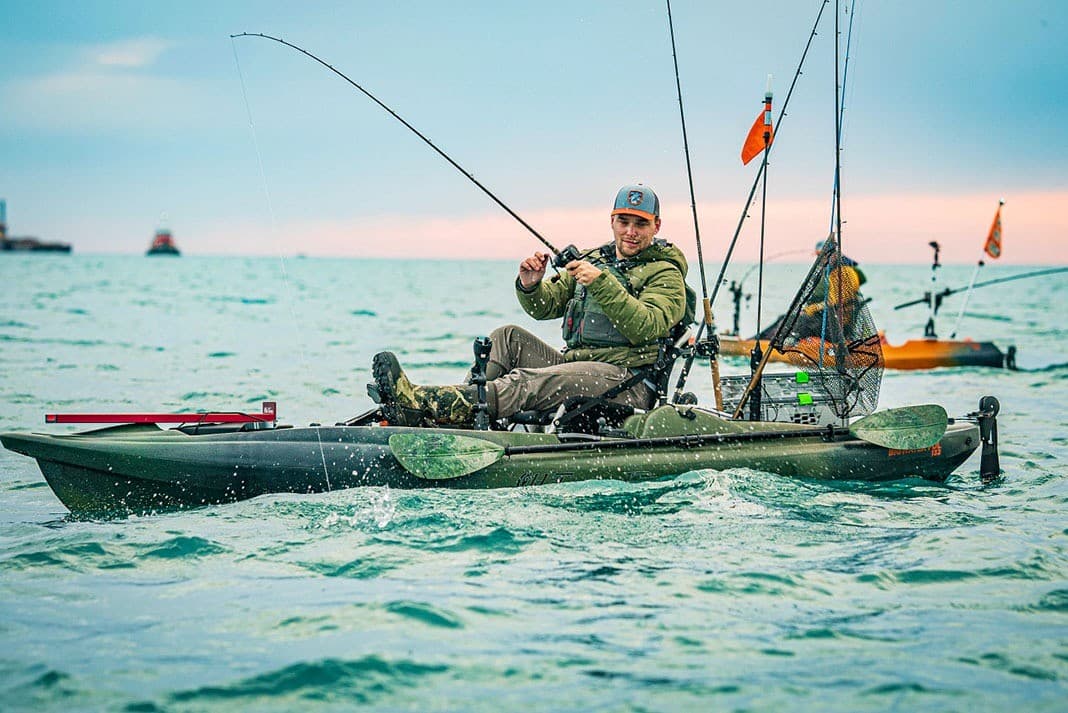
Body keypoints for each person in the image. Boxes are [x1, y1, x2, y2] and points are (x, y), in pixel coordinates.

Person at [368, 183, 694, 427]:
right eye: (624, 222)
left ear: (657, 226)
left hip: (627, 382)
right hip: (577, 366)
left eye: (641, 224)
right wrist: (530, 284)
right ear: (612, 221)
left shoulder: (665, 273)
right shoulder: (596, 259)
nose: (631, 232)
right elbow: (544, 307)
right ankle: (461, 412)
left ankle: (426, 403)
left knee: (529, 380)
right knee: (505, 337)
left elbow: (646, 326)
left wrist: (600, 282)